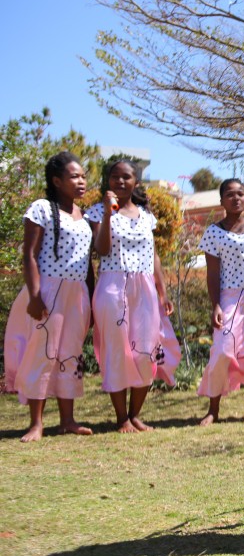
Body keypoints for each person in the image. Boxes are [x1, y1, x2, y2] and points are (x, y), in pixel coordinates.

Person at [3, 152, 94, 442]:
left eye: (82, 176)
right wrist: (34, 295)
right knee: (43, 353)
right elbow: (29, 254)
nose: (81, 181)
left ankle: (67, 420)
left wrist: (90, 299)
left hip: (77, 293)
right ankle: (36, 423)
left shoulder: (85, 215)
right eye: (74, 176)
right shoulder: (41, 208)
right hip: (48, 291)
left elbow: (88, 261)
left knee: (70, 354)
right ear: (57, 181)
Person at [86, 158, 180, 433]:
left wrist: (162, 291)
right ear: (108, 181)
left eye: (126, 177)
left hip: (145, 289)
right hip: (112, 287)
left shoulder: (146, 216)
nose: (120, 181)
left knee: (146, 349)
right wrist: (106, 213)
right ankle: (121, 419)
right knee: (116, 350)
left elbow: (154, 257)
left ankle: (136, 414)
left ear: (136, 182)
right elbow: (101, 250)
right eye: (115, 177)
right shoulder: (96, 212)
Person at [196, 179, 244, 426]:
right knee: (221, 350)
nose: (236, 198)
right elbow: (212, 274)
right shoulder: (213, 233)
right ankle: (213, 410)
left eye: (240, 194)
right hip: (230, 298)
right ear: (222, 201)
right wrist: (216, 305)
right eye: (230, 195)